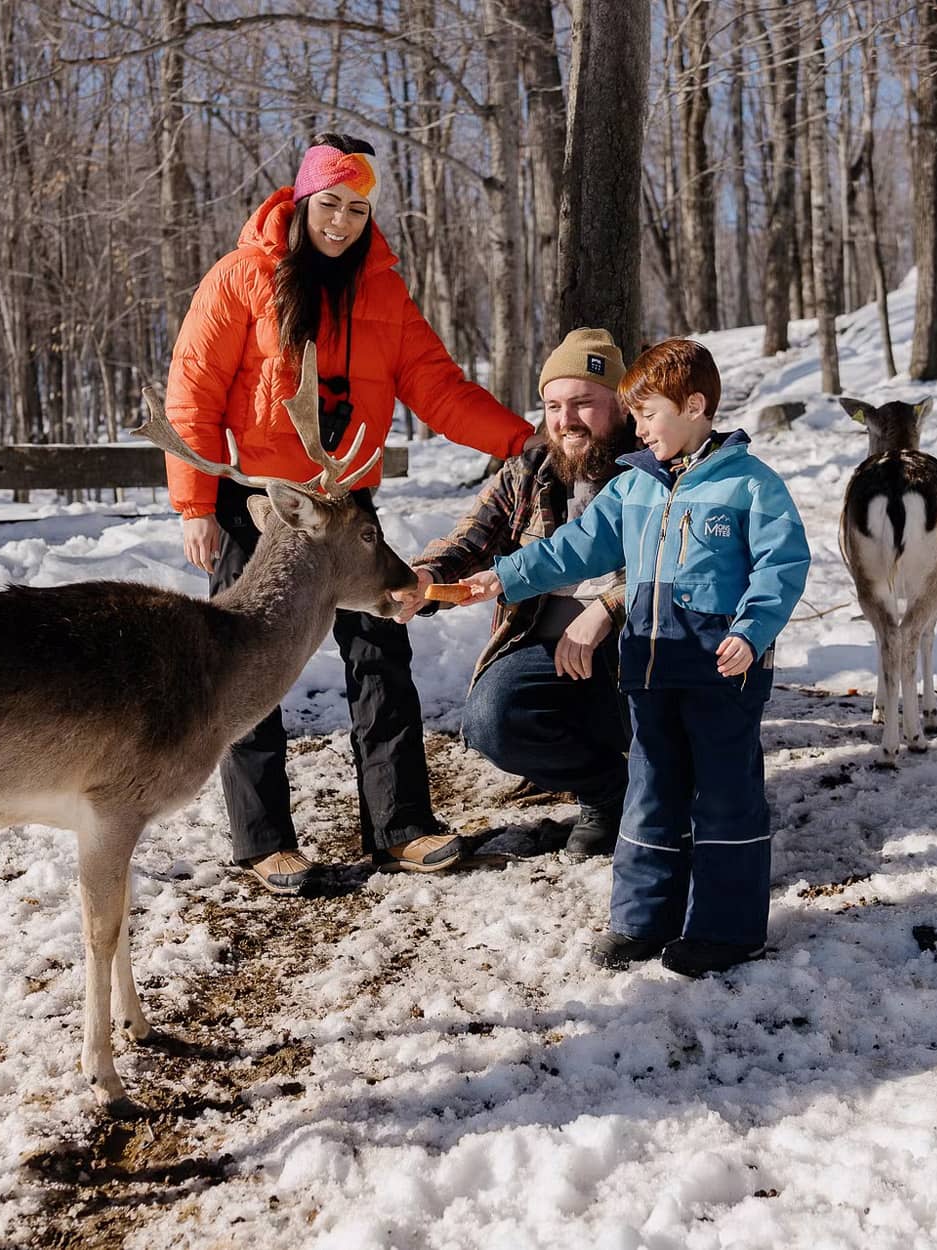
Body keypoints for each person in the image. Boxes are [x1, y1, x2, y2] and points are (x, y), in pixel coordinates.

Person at [163, 132, 539, 896]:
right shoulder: (241, 279)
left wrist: (522, 442)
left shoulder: (382, 290)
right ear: (302, 203)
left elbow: (436, 386)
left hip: (347, 510)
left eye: (357, 209)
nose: (340, 222)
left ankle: (400, 826)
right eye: (329, 205)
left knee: (380, 654)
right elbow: (193, 391)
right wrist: (195, 504)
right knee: (245, 668)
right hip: (262, 510)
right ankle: (264, 841)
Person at [457, 340, 811, 977]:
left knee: (725, 797)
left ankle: (727, 931)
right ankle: (642, 920)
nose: (640, 429)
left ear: (695, 407)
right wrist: (504, 577)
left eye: (648, 415)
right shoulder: (635, 487)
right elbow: (574, 548)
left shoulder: (749, 485)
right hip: (651, 666)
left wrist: (752, 632)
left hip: (723, 671)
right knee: (652, 791)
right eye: (636, 416)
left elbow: (782, 566)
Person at [392, 328, 636, 858]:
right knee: (489, 719)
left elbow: (673, 569)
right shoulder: (531, 471)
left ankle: (656, 788)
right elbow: (468, 540)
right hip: (542, 650)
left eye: (583, 404)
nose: (566, 420)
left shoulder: (650, 467)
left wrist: (605, 609)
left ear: (619, 403)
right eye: (553, 405)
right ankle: (605, 791)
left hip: (632, 647)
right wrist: (425, 580)